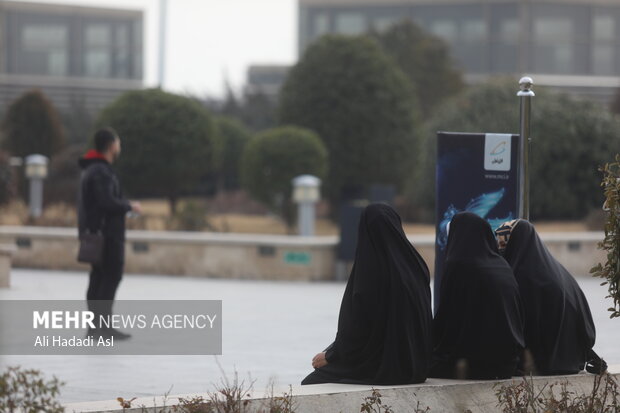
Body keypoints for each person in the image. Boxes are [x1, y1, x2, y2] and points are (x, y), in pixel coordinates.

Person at [301, 203, 432, 385]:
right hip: (415, 367)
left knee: (312, 381)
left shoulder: (372, 268)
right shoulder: (415, 265)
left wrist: (332, 355)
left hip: (383, 367)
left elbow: (359, 326)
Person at [495, 219, 606, 375]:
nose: (500, 249)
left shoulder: (523, 277)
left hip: (541, 364)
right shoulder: (560, 273)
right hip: (573, 361)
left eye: (503, 243)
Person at [431, 212, 524, 380]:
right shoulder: (502, 265)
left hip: (473, 366)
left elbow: (448, 321)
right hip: (506, 365)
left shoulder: (458, 265)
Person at [78, 127, 141, 339]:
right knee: (110, 277)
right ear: (112, 146)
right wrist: (129, 206)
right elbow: (106, 202)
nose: (119, 147)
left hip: (96, 233)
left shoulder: (93, 169)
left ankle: (97, 328)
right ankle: (101, 329)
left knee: (99, 278)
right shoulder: (101, 172)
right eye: (118, 143)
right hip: (106, 235)